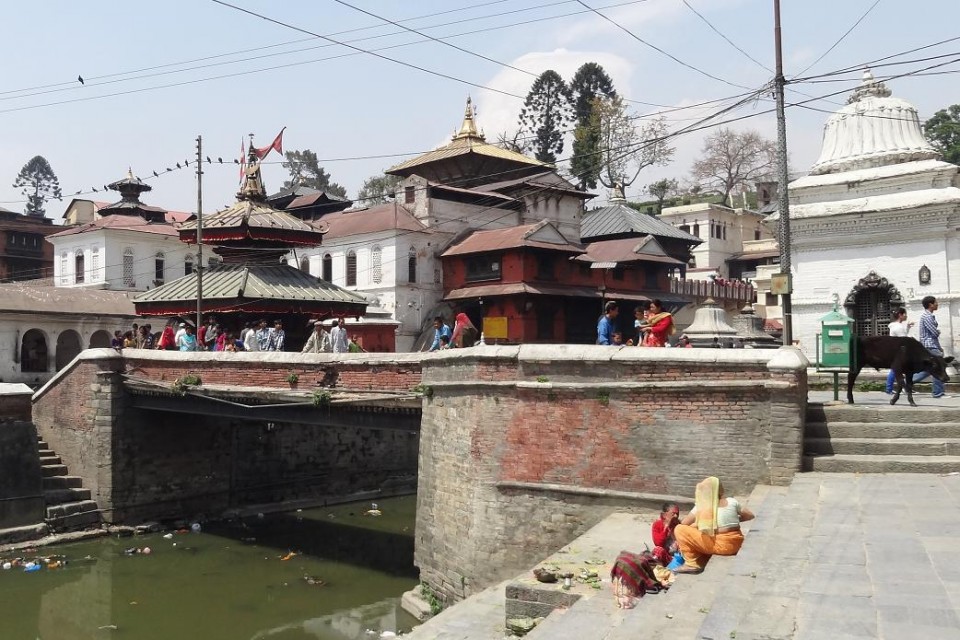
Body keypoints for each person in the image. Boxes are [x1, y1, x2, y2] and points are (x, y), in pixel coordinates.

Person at [673, 477, 754, 574]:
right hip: (737, 544)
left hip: (721, 547)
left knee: (679, 529)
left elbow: (684, 524)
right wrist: (733, 522)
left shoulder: (701, 506)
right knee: (698, 526)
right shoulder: (732, 501)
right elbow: (750, 515)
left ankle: (691, 564)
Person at [912, 297, 950, 399]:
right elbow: (934, 332)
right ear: (930, 304)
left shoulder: (928, 316)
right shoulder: (927, 316)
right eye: (936, 303)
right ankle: (938, 393)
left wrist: (939, 347)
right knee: (938, 368)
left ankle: (907, 381)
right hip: (929, 345)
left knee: (928, 370)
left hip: (931, 345)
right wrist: (938, 332)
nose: (937, 304)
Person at [885, 308, 913, 394]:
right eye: (904, 314)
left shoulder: (896, 326)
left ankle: (892, 388)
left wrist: (907, 328)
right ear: (900, 315)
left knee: (896, 370)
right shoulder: (898, 327)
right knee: (895, 370)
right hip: (899, 351)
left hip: (896, 350)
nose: (906, 316)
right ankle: (891, 388)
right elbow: (904, 339)